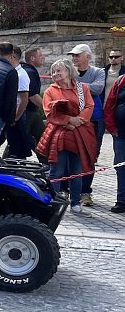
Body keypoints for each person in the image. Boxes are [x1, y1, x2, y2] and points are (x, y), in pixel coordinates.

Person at [36, 58, 97, 216]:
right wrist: (68, 120)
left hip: (78, 134)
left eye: (58, 71)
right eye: (53, 71)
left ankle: (75, 204)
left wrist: (77, 121)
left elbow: (89, 106)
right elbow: (49, 113)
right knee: (56, 170)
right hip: (59, 136)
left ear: (69, 71)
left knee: (76, 170)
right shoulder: (50, 91)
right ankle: (52, 205)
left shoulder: (83, 88)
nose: (55, 74)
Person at [69, 44, 105, 207]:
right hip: (72, 119)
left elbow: (98, 89)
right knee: (69, 155)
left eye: (77, 55)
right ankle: (66, 189)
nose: (74, 58)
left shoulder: (98, 72)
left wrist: (75, 86)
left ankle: (85, 193)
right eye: (73, 55)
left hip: (93, 120)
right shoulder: (69, 71)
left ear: (88, 56)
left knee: (90, 157)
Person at [103, 68, 125, 213]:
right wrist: (112, 128)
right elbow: (110, 105)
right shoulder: (120, 81)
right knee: (121, 168)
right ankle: (122, 201)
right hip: (121, 135)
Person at [22, 47, 46, 153]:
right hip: (27, 112)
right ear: (32, 58)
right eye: (40, 55)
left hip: (30, 111)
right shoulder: (30, 72)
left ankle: (45, 160)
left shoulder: (26, 70)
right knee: (20, 140)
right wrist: (48, 109)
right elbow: (32, 95)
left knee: (41, 138)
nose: (43, 57)